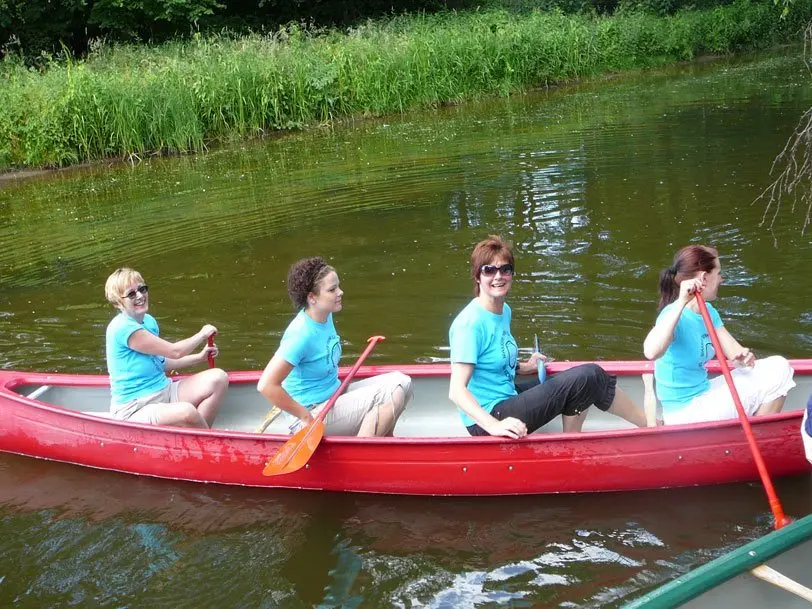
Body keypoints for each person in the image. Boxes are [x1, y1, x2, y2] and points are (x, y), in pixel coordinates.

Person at [448, 235, 646, 438]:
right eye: (489, 270)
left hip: (507, 395)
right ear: (477, 276)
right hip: (488, 417)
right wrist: (493, 426)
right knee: (589, 376)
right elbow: (456, 391)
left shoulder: (503, 310)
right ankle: (652, 427)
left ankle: (570, 442)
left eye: (505, 269)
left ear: (511, 274)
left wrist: (525, 367)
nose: (498, 276)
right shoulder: (469, 324)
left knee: (580, 379)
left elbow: (491, 359)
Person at [257, 257, 413, 437]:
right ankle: (361, 455)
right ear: (312, 297)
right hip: (312, 415)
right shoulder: (301, 334)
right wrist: (306, 417)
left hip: (334, 396)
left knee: (403, 382)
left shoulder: (325, 315)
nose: (340, 292)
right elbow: (266, 385)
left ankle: (382, 442)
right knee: (390, 393)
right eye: (332, 290)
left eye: (338, 286)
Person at [643, 245, 795, 425]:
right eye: (719, 273)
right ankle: (759, 439)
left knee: (776, 365)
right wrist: (682, 301)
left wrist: (743, 358)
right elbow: (651, 352)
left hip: (703, 394)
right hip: (685, 412)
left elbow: (734, 353)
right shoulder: (673, 315)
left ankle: (752, 435)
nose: (721, 279)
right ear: (704, 278)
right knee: (780, 370)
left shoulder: (708, 311)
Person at [104, 268, 228, 428]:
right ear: (118, 302)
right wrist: (202, 335)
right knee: (187, 412)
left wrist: (200, 357)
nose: (140, 296)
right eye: (131, 294)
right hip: (135, 408)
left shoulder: (148, 321)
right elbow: (175, 352)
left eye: (142, 289)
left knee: (218, 378)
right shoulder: (122, 328)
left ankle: (197, 440)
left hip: (164, 390)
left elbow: (161, 362)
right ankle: (208, 443)